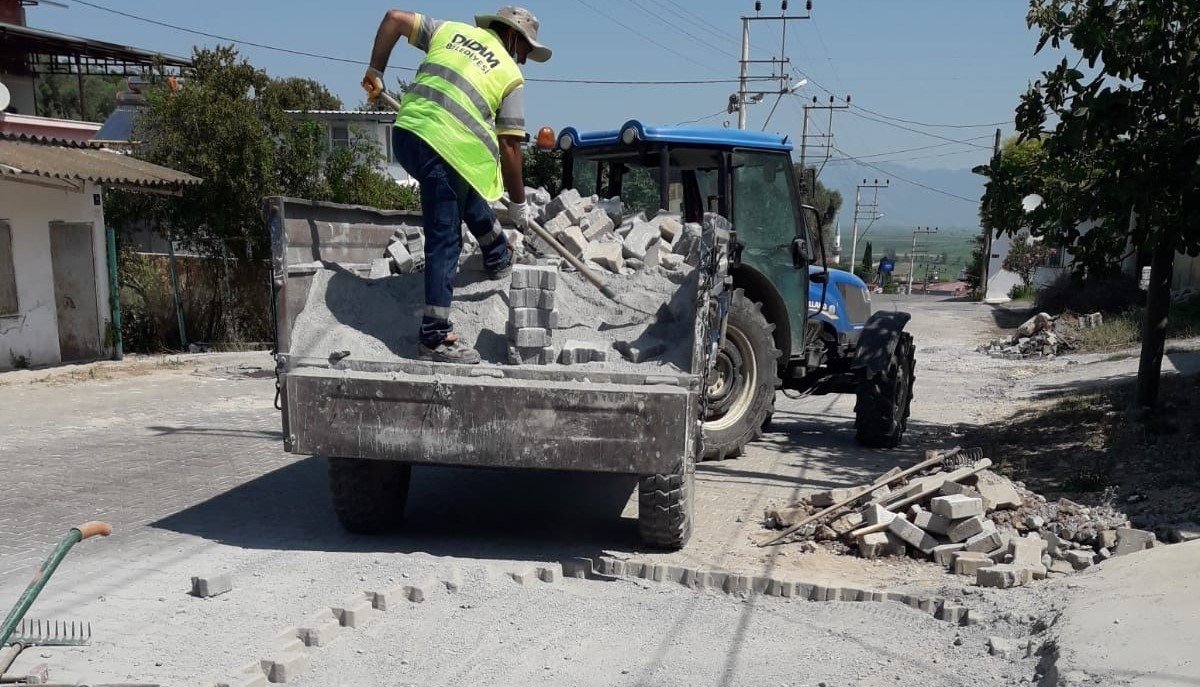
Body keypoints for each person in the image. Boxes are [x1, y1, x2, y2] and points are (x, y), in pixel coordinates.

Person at [362, 6, 551, 363]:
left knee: (460, 189)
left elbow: (393, 19)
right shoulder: (510, 74)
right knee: (445, 237)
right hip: (443, 148)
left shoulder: (449, 31)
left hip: (407, 137)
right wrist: (518, 203)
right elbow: (510, 145)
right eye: (526, 51)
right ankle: (434, 337)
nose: (524, 60)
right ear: (512, 37)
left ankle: (497, 252)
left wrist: (376, 69)